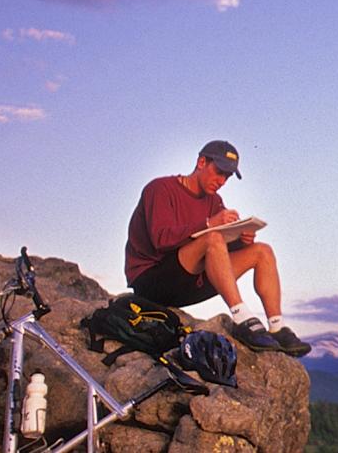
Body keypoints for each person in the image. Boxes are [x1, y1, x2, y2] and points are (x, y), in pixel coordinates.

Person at [124, 140, 310, 357]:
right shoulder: (160, 189)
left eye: (227, 177)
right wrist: (210, 224)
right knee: (213, 238)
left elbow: (218, 252)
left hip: (190, 282)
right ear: (201, 162)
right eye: (219, 172)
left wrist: (241, 239)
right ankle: (242, 318)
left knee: (262, 251)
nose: (221, 181)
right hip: (152, 282)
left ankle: (277, 327)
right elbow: (161, 239)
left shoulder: (214, 200)